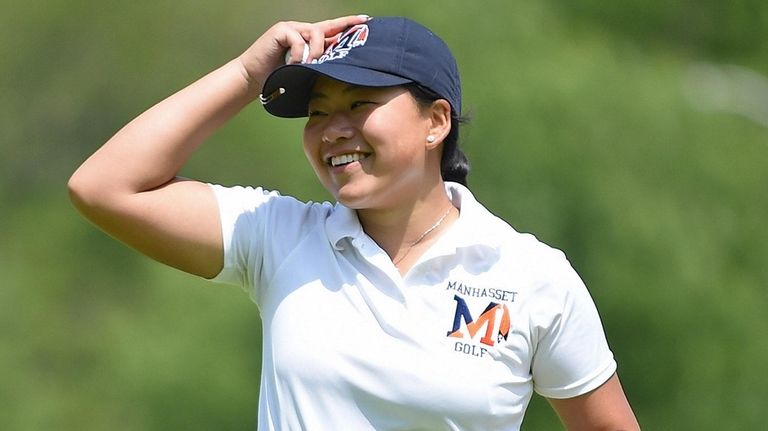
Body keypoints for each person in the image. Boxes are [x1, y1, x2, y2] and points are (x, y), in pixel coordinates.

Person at [69, 14, 641, 431]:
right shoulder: (279, 237)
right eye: (318, 112)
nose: (332, 129)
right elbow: (103, 188)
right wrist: (248, 75)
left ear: (436, 121)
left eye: (360, 103)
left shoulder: (533, 276)